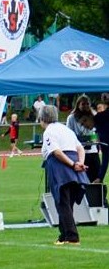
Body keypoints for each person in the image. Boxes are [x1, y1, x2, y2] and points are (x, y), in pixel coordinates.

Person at [39, 104, 89, 246]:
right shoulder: (66, 130)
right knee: (67, 204)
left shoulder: (49, 131)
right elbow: (80, 148)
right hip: (74, 167)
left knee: (62, 203)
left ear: (43, 118)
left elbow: (57, 152)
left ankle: (72, 236)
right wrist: (80, 163)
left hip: (61, 168)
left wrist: (73, 165)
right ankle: (64, 235)